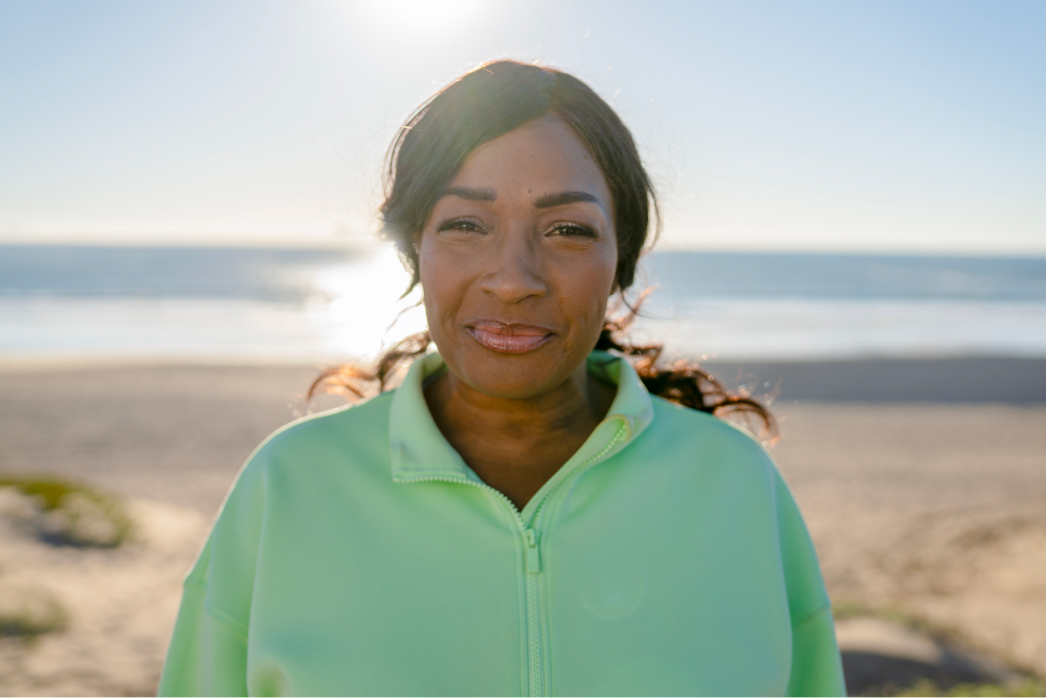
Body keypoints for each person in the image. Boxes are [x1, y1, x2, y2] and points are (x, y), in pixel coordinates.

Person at [159, 60, 845, 697]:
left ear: (621, 259)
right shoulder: (291, 487)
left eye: (568, 231)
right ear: (413, 249)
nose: (514, 279)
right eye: (465, 224)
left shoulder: (733, 485)